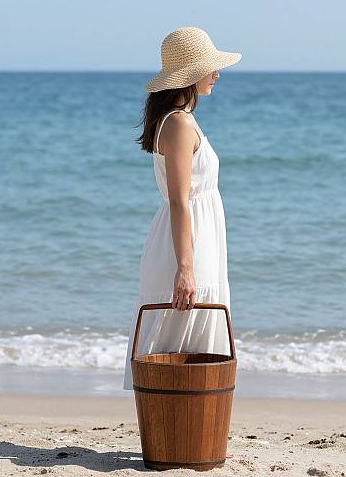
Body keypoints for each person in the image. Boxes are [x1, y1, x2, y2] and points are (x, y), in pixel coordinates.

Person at [123, 27, 241, 456]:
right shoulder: (177, 123)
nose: (217, 75)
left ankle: (190, 437)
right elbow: (178, 201)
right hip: (184, 245)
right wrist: (185, 267)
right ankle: (178, 439)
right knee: (180, 333)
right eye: (211, 67)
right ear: (190, 74)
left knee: (193, 332)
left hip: (197, 239)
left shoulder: (182, 120)